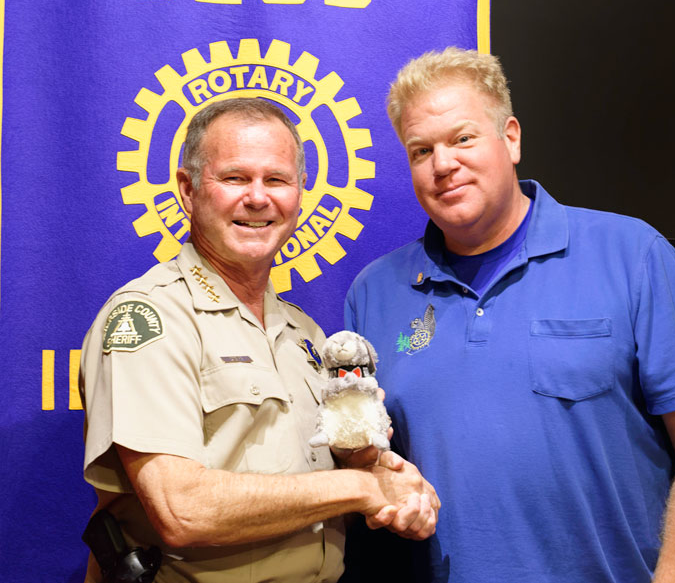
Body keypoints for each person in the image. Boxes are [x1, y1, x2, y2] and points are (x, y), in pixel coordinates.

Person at [344, 48, 675, 583]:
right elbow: (366, 462)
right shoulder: (374, 293)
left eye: (463, 138)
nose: (442, 164)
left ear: (510, 138)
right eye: (421, 150)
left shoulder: (631, 254)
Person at [79, 98, 439, 583]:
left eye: (276, 180)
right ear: (188, 191)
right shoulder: (150, 318)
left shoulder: (307, 336)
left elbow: (319, 484)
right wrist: (361, 487)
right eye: (234, 178)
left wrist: (384, 474)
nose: (257, 197)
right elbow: (182, 509)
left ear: (299, 195)